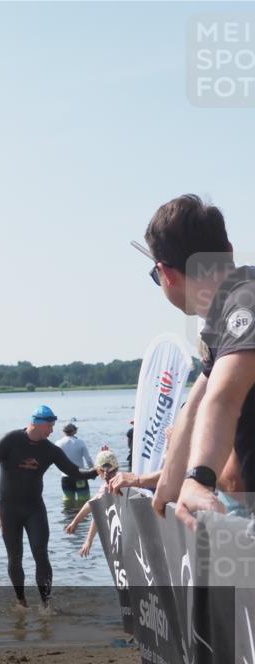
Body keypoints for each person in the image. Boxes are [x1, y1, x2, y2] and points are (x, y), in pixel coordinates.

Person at [134, 195, 254, 528]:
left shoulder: (247, 300)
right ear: (228, 250)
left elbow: (224, 398)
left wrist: (199, 479)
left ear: (165, 274)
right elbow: (198, 402)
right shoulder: (225, 317)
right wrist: (168, 487)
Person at [0, 405, 99, 608]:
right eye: (49, 426)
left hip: (34, 508)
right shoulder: (10, 440)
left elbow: (75, 471)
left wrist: (98, 470)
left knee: (40, 553)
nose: (52, 431)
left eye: (53, 426)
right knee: (15, 556)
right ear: (35, 423)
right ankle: (21, 601)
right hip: (9, 509)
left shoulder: (50, 450)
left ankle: (45, 604)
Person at [64, 448, 123, 557]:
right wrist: (75, 522)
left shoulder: (108, 487)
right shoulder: (125, 478)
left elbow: (95, 510)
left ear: (98, 471)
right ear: (117, 467)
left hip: (122, 536)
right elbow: (93, 505)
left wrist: (88, 540)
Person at [55, 423, 94, 512]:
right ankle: (82, 524)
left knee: (67, 501)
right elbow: (88, 460)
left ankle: (69, 521)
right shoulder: (80, 442)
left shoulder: (58, 443)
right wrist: (92, 473)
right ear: (75, 431)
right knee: (84, 501)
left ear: (63, 432)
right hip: (80, 476)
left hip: (65, 477)